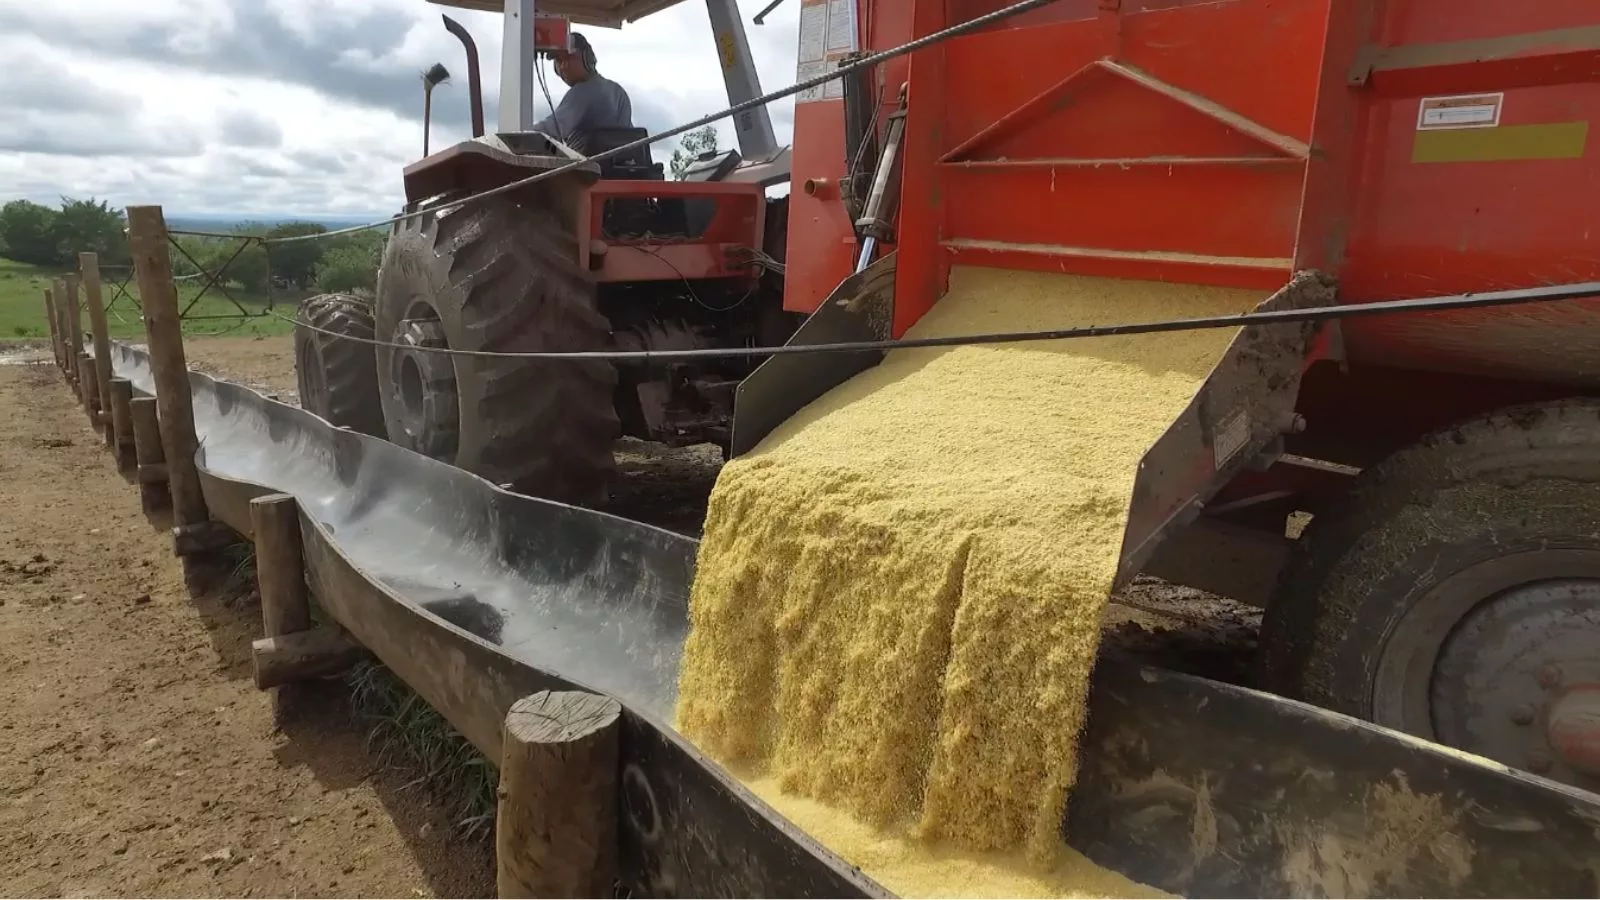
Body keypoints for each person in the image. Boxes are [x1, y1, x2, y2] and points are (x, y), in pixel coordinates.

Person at [530, 32, 634, 153]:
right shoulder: (618, 91)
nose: (563, 67)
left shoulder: (583, 91)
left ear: (587, 58)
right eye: (559, 60)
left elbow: (552, 129)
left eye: (569, 58)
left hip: (590, 167)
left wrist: (516, 136)